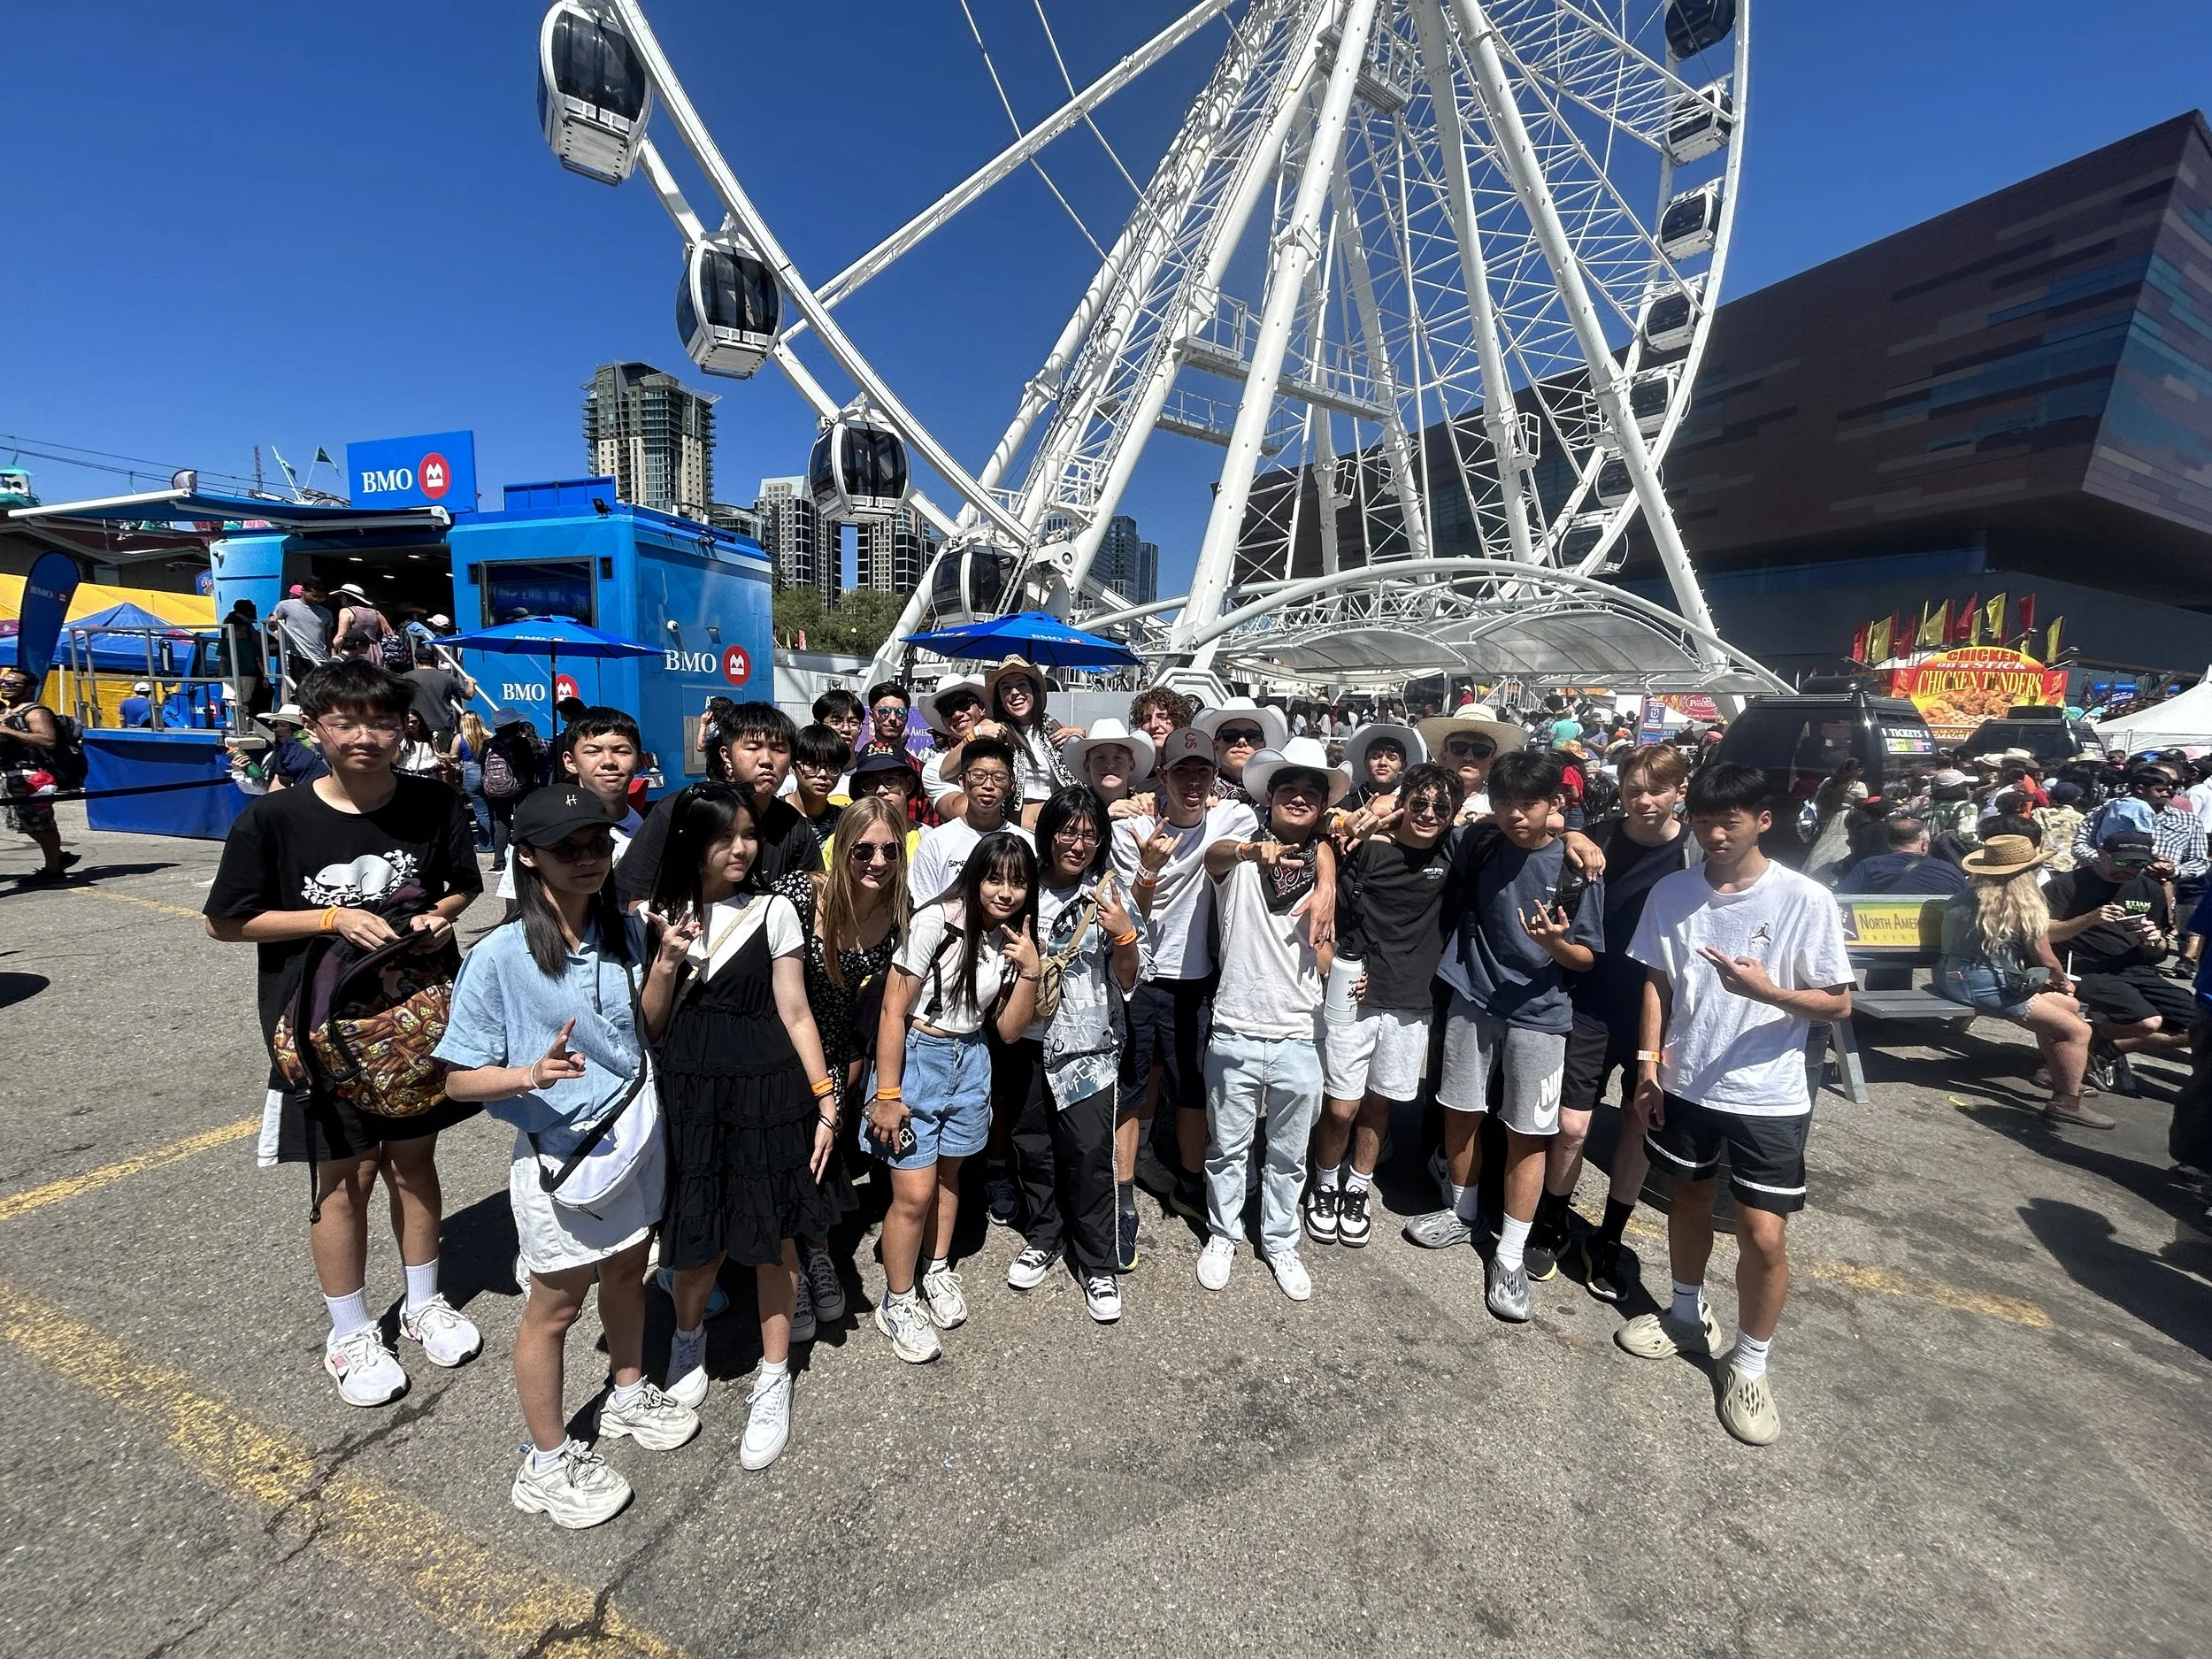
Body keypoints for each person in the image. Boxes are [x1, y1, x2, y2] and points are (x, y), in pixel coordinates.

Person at [202, 657, 485, 1407]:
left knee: (413, 1165)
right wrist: (329, 916)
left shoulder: (431, 801)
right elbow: (226, 921)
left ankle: (423, 1301)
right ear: (317, 728)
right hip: (321, 1032)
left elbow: (463, 882)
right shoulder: (274, 818)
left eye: (381, 722)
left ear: (404, 728)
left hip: (414, 1023)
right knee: (344, 1176)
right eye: (346, 721)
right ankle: (350, 1330)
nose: (365, 735)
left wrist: (437, 917)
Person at [434, 787, 697, 1530]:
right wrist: (527, 1075)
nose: (587, 858)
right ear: (527, 856)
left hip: (634, 1138)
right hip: (559, 1153)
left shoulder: (626, 930)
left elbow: (643, 1030)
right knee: (555, 1307)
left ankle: (625, 1391)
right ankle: (545, 1462)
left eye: (596, 844)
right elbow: (456, 1079)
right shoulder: (498, 956)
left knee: (626, 1271)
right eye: (567, 848)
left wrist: (668, 964)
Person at [1615, 762, 1854, 1448]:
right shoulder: (1673, 890)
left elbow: (1837, 1001)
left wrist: (1770, 993)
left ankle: (1750, 1361)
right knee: (1685, 1200)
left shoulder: (1803, 899)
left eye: (1730, 821)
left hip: (1767, 1092)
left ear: (1763, 820)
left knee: (1764, 1233)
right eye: (1703, 822)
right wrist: (1648, 1065)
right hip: (1685, 1080)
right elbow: (1657, 980)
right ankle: (1686, 1313)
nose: (1715, 834)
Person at [641, 785, 841, 1470]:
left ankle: (774, 1374)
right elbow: (653, 1024)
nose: (740, 847)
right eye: (724, 835)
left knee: (772, 1236)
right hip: (692, 1090)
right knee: (695, 1239)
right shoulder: (661, 912)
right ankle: (687, 1338)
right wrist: (666, 960)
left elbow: (795, 1009)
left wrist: (825, 1097)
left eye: (748, 833)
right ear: (692, 840)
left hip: (768, 1088)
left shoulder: (775, 908)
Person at [1404, 751, 1605, 1326]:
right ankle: (1462, 1209)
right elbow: (1439, 830)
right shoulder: (1483, 842)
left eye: (1530, 803)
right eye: (1506, 802)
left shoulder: (1575, 867)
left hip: (1542, 1013)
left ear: (1555, 804)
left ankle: (1511, 1254)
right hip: (1472, 995)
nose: (1518, 815)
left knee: (1528, 1134)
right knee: (1460, 1110)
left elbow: (1586, 958)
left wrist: (1556, 943)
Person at [866, 831, 1041, 1362]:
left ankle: (936, 1268)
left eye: (1017, 882)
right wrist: (889, 1092)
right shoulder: (934, 922)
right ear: (974, 878)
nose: (1005, 892)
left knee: (949, 1177)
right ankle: (897, 1299)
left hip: (973, 1058)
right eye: (994, 879)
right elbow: (893, 1011)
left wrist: (1030, 968)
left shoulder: (1013, 939)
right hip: (919, 1055)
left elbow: (1009, 1030)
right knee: (913, 1193)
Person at [1194, 737, 1340, 1302]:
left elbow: (1329, 950)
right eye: (1289, 791)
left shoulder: (1331, 859)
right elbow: (1215, 856)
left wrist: (1326, 879)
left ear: (1322, 807)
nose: (1299, 800)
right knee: (1226, 1146)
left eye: (1311, 793)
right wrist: (1258, 854)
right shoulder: (1242, 853)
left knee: (1287, 1153)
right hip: (1235, 1023)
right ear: (1270, 797)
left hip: (1302, 1030)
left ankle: (1280, 1239)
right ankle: (1223, 1233)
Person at [1553, 744, 1700, 1300]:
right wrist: (1572, 833)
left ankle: (1610, 1237)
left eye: (1656, 790)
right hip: (1590, 1001)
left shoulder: (1694, 854)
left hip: (1659, 1011)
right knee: (1572, 1127)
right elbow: (1553, 827)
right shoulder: (1602, 836)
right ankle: (1553, 1218)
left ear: (1679, 792)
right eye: (1634, 789)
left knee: (1639, 1122)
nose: (1644, 800)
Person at [1114, 727, 1260, 1252]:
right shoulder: (1131, 830)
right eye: (1182, 773)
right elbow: (1132, 915)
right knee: (1130, 1088)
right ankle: (1123, 1194)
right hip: (1141, 976)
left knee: (1193, 1087)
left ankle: (1192, 1183)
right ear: (1163, 777)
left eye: (1202, 772)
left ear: (1216, 777)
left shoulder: (1233, 818)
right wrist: (1149, 867)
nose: (1193, 782)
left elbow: (1262, 825)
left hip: (1197, 980)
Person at [1003, 787, 1145, 1323]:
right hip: (1024, 1041)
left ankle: (1098, 1262)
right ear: (1048, 832)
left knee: (1089, 1155)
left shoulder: (1107, 894)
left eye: (1089, 834)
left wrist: (1125, 936)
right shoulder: (1022, 888)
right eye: (1068, 830)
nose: (1078, 842)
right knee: (1033, 1147)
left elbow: (1129, 980)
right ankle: (1044, 1236)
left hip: (1087, 1048)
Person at [1310, 762, 1462, 1252]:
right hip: (1355, 993)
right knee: (1341, 1105)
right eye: (1419, 803)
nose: (1429, 814)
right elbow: (1319, 833)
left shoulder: (1455, 852)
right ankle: (1325, 1178)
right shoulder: (1367, 848)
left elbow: (1514, 828)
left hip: (1411, 1000)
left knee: (1381, 1103)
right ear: (1402, 802)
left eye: (1441, 807)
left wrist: (1572, 836)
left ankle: (1358, 1185)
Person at [775, 795, 911, 1333]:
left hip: (834, 1045)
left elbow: (873, 1003)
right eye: (863, 851)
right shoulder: (800, 895)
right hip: (778, 1040)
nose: (877, 861)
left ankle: (817, 1252)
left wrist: (856, 1062)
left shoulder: (898, 913)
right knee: (784, 1155)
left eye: (890, 850)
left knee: (822, 1155)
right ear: (841, 851)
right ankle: (791, 1269)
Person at [1932, 833, 2100, 1127]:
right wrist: (2063, 980)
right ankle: (2067, 1102)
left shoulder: (1966, 895)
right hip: (1986, 986)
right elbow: (2045, 960)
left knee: (2068, 1008)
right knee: (2078, 1031)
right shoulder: (2021, 905)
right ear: (2027, 872)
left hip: (1951, 978)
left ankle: (2059, 1071)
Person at [619, 703, 821, 904]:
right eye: (753, 747)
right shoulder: (679, 810)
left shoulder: (794, 827)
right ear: (726, 756)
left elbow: (817, 898)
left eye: (779, 749)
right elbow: (638, 900)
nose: (766, 760)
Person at [2045, 829, 2193, 1096]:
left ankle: (2100, 1048)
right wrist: (2090, 919)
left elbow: (2158, 953)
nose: (2131, 869)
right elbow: (2041, 932)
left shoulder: (2150, 888)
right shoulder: (2068, 884)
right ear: (2102, 855)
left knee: (2202, 1023)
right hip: (2083, 967)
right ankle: (2080, 1043)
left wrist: (2154, 940)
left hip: (2135, 967)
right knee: (2147, 1021)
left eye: (2139, 863)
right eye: (2124, 862)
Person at [497, 707, 646, 906]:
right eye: (593, 751)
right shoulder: (542, 827)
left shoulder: (649, 829)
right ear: (570, 761)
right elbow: (517, 908)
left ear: (639, 762)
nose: (608, 762)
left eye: (621, 751)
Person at [907, 735, 1034, 908]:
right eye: (979, 775)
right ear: (963, 781)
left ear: (1011, 787)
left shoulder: (1027, 844)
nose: (988, 785)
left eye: (999, 777)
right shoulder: (935, 842)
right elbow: (921, 905)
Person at [0, 665, 78, 880]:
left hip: (33, 776)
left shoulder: (35, 711)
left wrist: (7, 731)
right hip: (10, 775)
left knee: (41, 824)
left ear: (28, 688)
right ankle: (58, 857)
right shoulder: (6, 711)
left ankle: (54, 869)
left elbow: (47, 740)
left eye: (12, 684)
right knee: (22, 823)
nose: (5, 687)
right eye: (3, 683)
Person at [1837, 816, 1970, 895]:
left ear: (1888, 842)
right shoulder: (1949, 870)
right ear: (1924, 844)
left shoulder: (1868, 866)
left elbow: (1843, 898)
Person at [1193, 697, 1288, 806]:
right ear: (1215, 745)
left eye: (1252, 737)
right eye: (1230, 735)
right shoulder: (1195, 790)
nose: (1241, 741)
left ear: (1263, 745)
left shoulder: (1276, 795)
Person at [481, 710, 544, 872]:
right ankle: (521, 854)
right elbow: (530, 765)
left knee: (500, 822)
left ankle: (499, 861)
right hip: (521, 786)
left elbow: (483, 766)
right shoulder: (521, 743)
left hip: (497, 789)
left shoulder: (489, 744)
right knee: (521, 819)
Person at [918, 673, 987, 817]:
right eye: (946, 709)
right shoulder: (934, 768)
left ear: (981, 708)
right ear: (943, 720)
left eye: (963, 704)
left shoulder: (1011, 741)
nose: (956, 714)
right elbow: (958, 811)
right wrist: (976, 734)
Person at [1062, 718, 1154, 814]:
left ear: (1131, 766)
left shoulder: (1144, 807)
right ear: (1087, 766)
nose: (1110, 765)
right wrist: (1106, 816)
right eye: (1100, 758)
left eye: (1118, 758)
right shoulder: (1074, 809)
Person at [847, 749, 925, 861]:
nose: (880, 790)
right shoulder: (843, 839)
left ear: (908, 784)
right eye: (870, 783)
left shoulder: (929, 839)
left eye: (891, 780)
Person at [789, 722, 849, 854]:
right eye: (812, 765)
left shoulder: (844, 821)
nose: (823, 774)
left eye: (832, 767)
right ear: (793, 765)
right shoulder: (774, 816)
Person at [403, 643, 475, 741]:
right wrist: (471, 683)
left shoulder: (405, 678)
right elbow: (469, 695)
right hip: (443, 726)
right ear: (435, 660)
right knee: (444, 756)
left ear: (416, 661)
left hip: (417, 728)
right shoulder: (448, 678)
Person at [1342, 721, 1422, 809]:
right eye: (1376, 757)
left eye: (1391, 758)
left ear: (1402, 766)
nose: (1383, 763)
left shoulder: (1407, 806)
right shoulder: (1346, 803)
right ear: (1365, 762)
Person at [443, 709, 491, 845]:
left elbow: (453, 758)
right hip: (488, 772)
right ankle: (498, 842)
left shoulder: (460, 738)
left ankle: (485, 845)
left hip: (470, 772)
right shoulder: (488, 736)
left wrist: (444, 757)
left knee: (481, 812)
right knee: (492, 810)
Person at [268, 580, 334, 677]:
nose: (317, 600)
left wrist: (333, 657)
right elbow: (273, 625)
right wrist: (273, 622)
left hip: (321, 657)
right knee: (300, 687)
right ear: (303, 590)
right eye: (314, 596)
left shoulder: (326, 613)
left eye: (321, 598)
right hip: (298, 656)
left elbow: (328, 638)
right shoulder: (285, 606)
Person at [219, 598, 269, 717]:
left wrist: (220, 674)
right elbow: (259, 659)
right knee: (245, 700)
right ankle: (244, 719)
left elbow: (222, 660)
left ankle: (237, 717)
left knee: (230, 698)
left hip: (229, 673)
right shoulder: (251, 643)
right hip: (249, 673)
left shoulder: (225, 642)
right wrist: (265, 676)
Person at [264, 703, 330, 791]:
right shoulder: (281, 752)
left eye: (283, 725)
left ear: (295, 727)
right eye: (276, 725)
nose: (277, 730)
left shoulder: (290, 748)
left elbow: (281, 783)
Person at [332, 584, 396, 664]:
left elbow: (341, 636)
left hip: (354, 649)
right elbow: (390, 633)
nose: (340, 599)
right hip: (375, 651)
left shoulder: (346, 611)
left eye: (341, 596)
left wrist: (332, 651)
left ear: (349, 597)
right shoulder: (376, 613)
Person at [859, 680, 914, 764]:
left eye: (900, 712)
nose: (892, 718)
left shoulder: (917, 768)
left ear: (907, 717)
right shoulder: (859, 762)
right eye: (884, 712)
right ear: (871, 716)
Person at [812, 687, 866, 763]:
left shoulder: (868, 771)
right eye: (836, 722)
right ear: (817, 726)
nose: (846, 729)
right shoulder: (806, 772)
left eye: (853, 723)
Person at [396, 710, 444, 776]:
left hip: (430, 775)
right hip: (408, 775)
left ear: (420, 722)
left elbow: (440, 755)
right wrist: (397, 742)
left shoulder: (432, 738)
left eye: (414, 722)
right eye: (407, 722)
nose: (410, 725)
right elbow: (396, 761)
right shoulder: (401, 740)